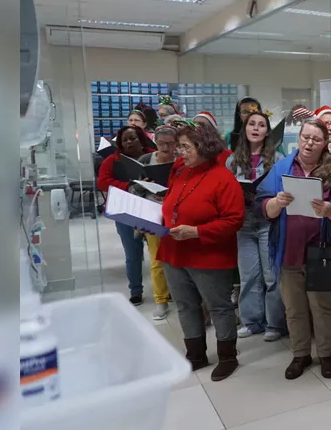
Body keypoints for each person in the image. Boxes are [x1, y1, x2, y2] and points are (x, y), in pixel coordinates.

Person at [255, 118, 331, 380]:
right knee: (294, 308)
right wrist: (276, 203)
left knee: (323, 308)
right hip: (288, 251)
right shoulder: (282, 168)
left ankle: (325, 354)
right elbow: (262, 206)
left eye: (315, 139)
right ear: (298, 139)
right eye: (305, 137)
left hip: (321, 253)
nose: (309, 143)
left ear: (325, 144)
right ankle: (300, 354)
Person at [158, 121, 245, 382]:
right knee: (185, 305)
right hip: (174, 252)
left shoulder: (223, 179)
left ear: (203, 146)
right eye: (179, 147)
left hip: (208, 254)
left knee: (218, 306)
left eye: (185, 147)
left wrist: (196, 232)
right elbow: (170, 206)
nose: (180, 152)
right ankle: (195, 355)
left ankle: (228, 356)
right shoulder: (181, 173)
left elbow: (233, 220)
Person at [226, 111, 287, 342]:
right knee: (249, 275)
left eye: (261, 125)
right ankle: (252, 321)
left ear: (267, 132)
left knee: (271, 276)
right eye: (252, 124)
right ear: (245, 129)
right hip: (244, 222)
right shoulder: (232, 160)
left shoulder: (277, 158)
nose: (256, 128)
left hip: (268, 221)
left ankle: (275, 324)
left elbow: (283, 187)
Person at [97, 125, 155, 305]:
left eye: (133, 138)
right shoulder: (112, 161)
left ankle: (164, 290)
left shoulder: (154, 155)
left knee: (158, 252)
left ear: (141, 139)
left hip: (151, 207)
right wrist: (129, 186)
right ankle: (135, 290)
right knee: (132, 252)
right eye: (125, 140)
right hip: (125, 208)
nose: (129, 142)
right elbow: (103, 183)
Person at [133, 125, 177, 320]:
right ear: (155, 143)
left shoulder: (182, 161)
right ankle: (161, 300)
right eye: (161, 144)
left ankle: (179, 294)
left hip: (177, 214)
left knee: (180, 258)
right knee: (156, 259)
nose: (166, 149)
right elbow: (133, 186)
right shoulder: (145, 160)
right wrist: (146, 186)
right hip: (152, 214)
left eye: (170, 144)